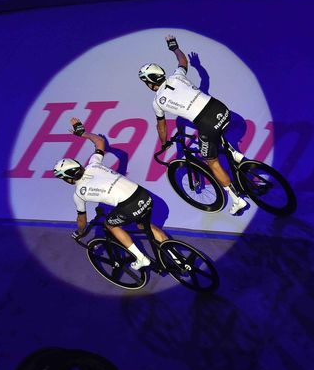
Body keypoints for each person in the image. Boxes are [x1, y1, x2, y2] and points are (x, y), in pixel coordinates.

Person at [138, 35, 248, 215]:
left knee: (211, 161)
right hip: (221, 109)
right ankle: (234, 154)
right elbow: (183, 61)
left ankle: (237, 200)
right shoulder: (177, 76)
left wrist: (164, 143)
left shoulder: (157, 102)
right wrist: (174, 47)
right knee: (216, 132)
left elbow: (162, 126)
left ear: (149, 83)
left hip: (207, 123)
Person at [53, 117, 169, 270]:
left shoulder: (79, 194)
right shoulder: (93, 164)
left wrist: (80, 232)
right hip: (144, 195)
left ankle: (141, 258)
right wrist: (83, 134)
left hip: (129, 206)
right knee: (144, 225)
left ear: (67, 179)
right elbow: (100, 141)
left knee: (110, 224)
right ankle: (176, 256)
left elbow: (82, 220)